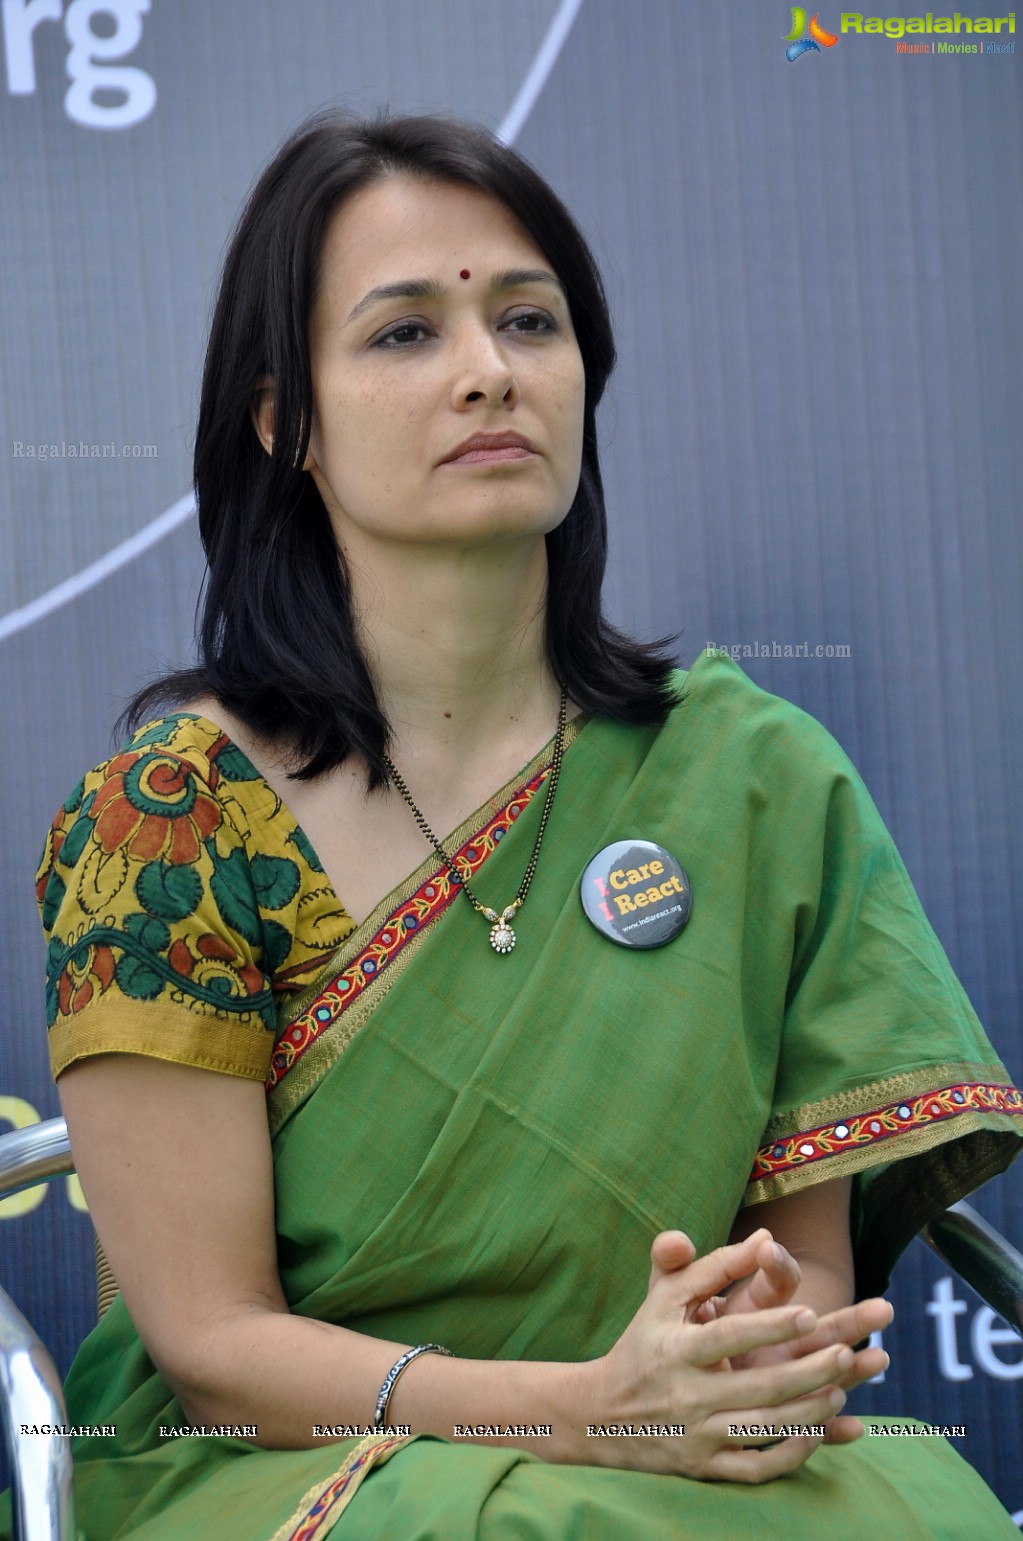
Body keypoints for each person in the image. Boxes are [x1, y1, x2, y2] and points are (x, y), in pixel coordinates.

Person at [11, 112, 1023, 1539]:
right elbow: (212, 1346)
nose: (490, 373)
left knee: (926, 1513)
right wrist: (569, 1407)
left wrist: (741, 1371)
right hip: (288, 1466)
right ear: (281, 420)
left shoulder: (748, 776)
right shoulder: (169, 818)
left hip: (665, 1452)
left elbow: (790, 1282)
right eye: (405, 334)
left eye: (530, 322)